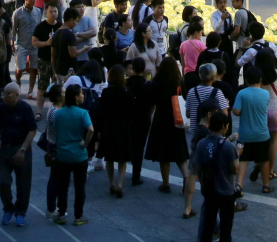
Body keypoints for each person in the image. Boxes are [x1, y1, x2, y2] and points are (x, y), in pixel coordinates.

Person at [145, 57, 193, 211]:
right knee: (179, 150)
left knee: (163, 153)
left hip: (160, 119)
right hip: (176, 120)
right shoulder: (179, 83)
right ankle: (186, 177)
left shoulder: (156, 83)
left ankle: (165, 183)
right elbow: (185, 99)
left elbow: (151, 102)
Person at [50, 84, 95, 226]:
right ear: (76, 97)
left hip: (63, 155)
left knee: (62, 186)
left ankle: (62, 214)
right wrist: (84, 144)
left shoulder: (59, 113)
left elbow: (54, 130)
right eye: (81, 94)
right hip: (79, 155)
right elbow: (91, 130)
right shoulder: (83, 113)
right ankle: (78, 216)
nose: (83, 96)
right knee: (79, 187)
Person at [191, 111, 239, 242]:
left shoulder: (201, 144)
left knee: (208, 224)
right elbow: (234, 169)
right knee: (226, 227)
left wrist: (202, 183)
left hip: (210, 190)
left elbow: (198, 167)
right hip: (226, 191)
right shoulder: (229, 146)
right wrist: (238, 154)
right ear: (224, 126)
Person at [0, 84, 37, 226]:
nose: (5, 96)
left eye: (9, 94)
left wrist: (23, 149)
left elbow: (32, 130)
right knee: (3, 181)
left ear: (18, 95)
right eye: (4, 93)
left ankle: (20, 212)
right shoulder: (1, 108)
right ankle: (8, 207)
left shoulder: (25, 109)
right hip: (5, 150)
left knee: (23, 184)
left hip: (21, 150)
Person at [232, 65, 274, 194]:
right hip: (262, 133)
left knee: (243, 159)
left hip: (245, 134)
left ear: (246, 80)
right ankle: (266, 185)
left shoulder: (242, 93)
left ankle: (239, 184)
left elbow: (236, 112)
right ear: (260, 79)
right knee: (264, 159)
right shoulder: (266, 94)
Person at [97, 65, 136, 197]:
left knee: (109, 157)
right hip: (123, 126)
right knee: (122, 158)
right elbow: (132, 110)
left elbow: (101, 111)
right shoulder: (126, 91)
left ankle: (112, 183)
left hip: (108, 126)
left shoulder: (106, 92)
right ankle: (120, 183)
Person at [186, 63, 229, 151]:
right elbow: (225, 114)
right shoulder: (217, 92)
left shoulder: (191, 91)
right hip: (212, 134)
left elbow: (188, 114)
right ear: (213, 77)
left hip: (196, 134)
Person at [11, 0, 42, 96]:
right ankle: (18, 82)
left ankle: (30, 90)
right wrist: (12, 44)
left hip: (34, 45)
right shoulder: (17, 13)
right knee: (20, 69)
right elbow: (14, 30)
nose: (34, 0)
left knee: (34, 68)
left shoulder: (38, 12)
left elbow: (39, 28)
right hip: (22, 44)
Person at [31, 5, 60, 119]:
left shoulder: (60, 26)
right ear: (46, 13)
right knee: (42, 86)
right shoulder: (41, 26)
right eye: (51, 11)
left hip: (57, 60)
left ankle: (56, 110)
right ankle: (38, 111)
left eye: (55, 11)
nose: (53, 13)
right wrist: (46, 43)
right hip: (44, 59)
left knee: (57, 85)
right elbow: (34, 42)